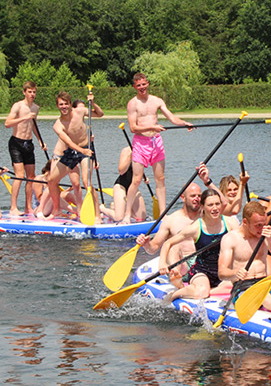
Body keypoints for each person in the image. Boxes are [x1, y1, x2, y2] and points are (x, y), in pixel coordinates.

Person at [122, 72, 193, 223]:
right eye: (138, 85)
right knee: (136, 180)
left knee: (160, 178)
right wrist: (152, 126)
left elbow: (172, 118)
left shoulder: (157, 101)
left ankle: (163, 214)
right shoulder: (132, 103)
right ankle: (127, 215)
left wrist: (184, 123)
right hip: (140, 143)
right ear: (134, 87)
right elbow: (133, 128)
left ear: (147, 83)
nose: (142, 87)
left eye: (144, 84)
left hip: (156, 142)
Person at [218, 201, 271, 317]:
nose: (261, 228)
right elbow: (222, 272)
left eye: (264, 223)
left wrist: (270, 238)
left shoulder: (266, 232)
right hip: (243, 288)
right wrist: (235, 273)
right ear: (245, 222)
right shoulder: (230, 239)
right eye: (257, 225)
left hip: (265, 283)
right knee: (260, 294)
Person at [158, 188, 239, 302]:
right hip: (201, 271)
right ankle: (176, 293)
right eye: (210, 205)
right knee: (202, 292)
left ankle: (208, 290)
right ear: (203, 207)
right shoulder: (196, 227)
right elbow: (168, 243)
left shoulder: (231, 223)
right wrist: (162, 263)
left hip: (224, 272)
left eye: (217, 204)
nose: (215, 208)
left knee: (237, 286)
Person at [45, 92, 104, 222]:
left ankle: (97, 215)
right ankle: (57, 210)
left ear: (70, 104)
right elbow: (69, 142)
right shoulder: (58, 124)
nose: (64, 106)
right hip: (73, 151)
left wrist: (93, 103)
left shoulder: (80, 111)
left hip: (86, 150)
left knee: (86, 182)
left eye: (66, 104)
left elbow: (100, 114)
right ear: (57, 106)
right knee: (51, 180)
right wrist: (81, 150)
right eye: (61, 104)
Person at [4, 81, 46, 216]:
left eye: (34, 92)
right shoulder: (18, 106)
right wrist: (24, 117)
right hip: (16, 143)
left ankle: (28, 207)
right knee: (20, 176)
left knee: (31, 177)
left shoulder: (36, 108)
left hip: (29, 144)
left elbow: (33, 125)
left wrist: (40, 140)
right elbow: (7, 123)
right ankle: (13, 208)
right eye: (29, 92)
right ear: (24, 92)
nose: (32, 94)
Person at [100, 146, 146, 223]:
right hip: (121, 186)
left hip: (133, 187)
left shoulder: (144, 150)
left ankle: (116, 207)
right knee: (118, 218)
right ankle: (102, 209)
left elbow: (137, 169)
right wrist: (130, 156)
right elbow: (121, 171)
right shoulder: (127, 150)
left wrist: (145, 177)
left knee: (141, 218)